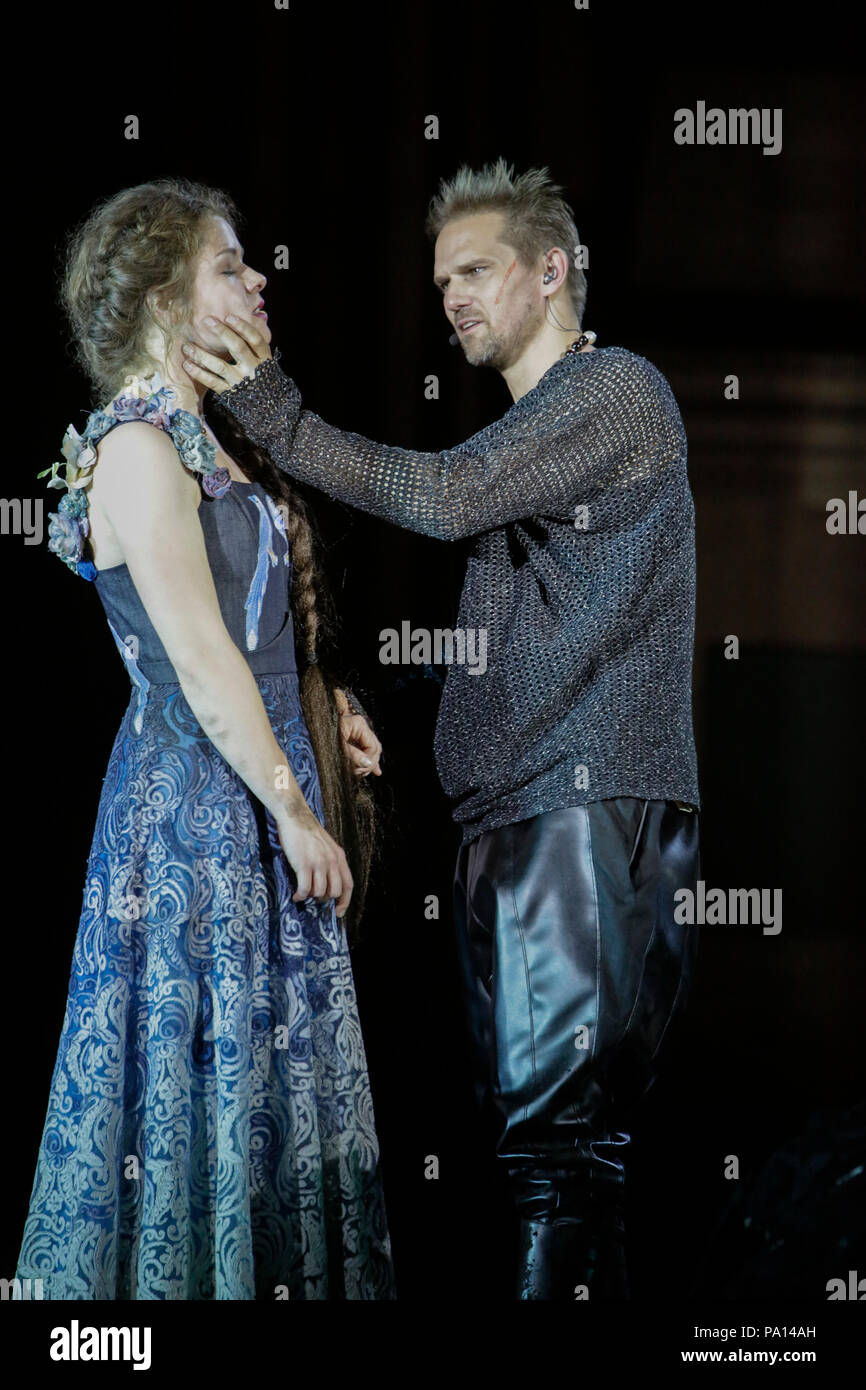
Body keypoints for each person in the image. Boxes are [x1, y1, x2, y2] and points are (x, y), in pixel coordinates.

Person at [182, 158, 702, 1301]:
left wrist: (275, 409)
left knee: (557, 1163)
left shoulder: (612, 390)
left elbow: (438, 496)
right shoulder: (539, 443)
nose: (452, 296)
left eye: (475, 270)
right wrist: (377, 708)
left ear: (550, 269)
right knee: (549, 1165)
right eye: (440, 281)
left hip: (575, 811)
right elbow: (523, 643)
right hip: (531, 814)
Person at [15, 178, 396, 1300]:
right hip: (195, 821)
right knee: (201, 1099)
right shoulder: (137, 449)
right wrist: (289, 807)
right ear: (165, 300)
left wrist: (326, 711)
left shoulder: (208, 439)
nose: (256, 276)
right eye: (229, 264)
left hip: (259, 789)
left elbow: (260, 630)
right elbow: (197, 657)